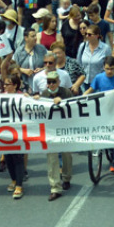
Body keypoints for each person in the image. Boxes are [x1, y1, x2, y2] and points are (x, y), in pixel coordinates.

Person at [37, 70, 76, 200]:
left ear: (58, 82)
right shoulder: (44, 94)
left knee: (66, 156)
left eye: (54, 82)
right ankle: (55, 187)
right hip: (50, 131)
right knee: (52, 159)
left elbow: (74, 109)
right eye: (49, 82)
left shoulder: (66, 92)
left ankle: (66, 177)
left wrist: (62, 103)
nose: (52, 84)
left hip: (64, 129)